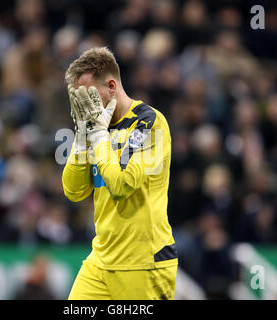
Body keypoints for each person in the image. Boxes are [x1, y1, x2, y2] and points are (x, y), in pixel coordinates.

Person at [62, 47, 177, 300]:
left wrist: (99, 136)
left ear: (112, 86)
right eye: (79, 98)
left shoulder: (149, 122)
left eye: (90, 95)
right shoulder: (95, 127)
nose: (86, 105)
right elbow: (73, 191)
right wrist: (82, 139)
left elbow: (121, 184)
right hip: (101, 258)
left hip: (143, 261)